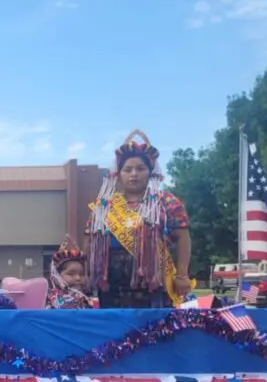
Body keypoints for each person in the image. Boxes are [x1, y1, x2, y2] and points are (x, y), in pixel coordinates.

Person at [85, 130, 192, 308]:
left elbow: (183, 237)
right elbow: (89, 241)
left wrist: (182, 275)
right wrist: (87, 274)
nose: (134, 174)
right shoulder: (104, 206)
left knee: (152, 332)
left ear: (150, 173)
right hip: (110, 285)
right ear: (119, 175)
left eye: (140, 168)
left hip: (153, 285)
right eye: (127, 169)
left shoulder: (166, 201)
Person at [46, 239, 98, 310]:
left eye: (81, 274)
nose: (78, 278)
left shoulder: (88, 301)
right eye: (71, 274)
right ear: (56, 276)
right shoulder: (47, 300)